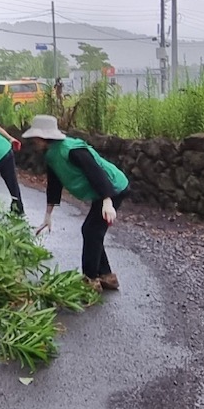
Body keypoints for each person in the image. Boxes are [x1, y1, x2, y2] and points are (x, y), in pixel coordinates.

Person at [21, 114, 129, 292]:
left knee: (91, 230)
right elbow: (54, 184)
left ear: (44, 137)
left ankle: (91, 278)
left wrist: (107, 201)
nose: (33, 143)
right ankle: (106, 276)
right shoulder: (51, 155)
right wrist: (48, 215)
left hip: (113, 188)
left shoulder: (72, 150)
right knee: (93, 231)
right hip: (102, 193)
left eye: (35, 139)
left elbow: (96, 173)